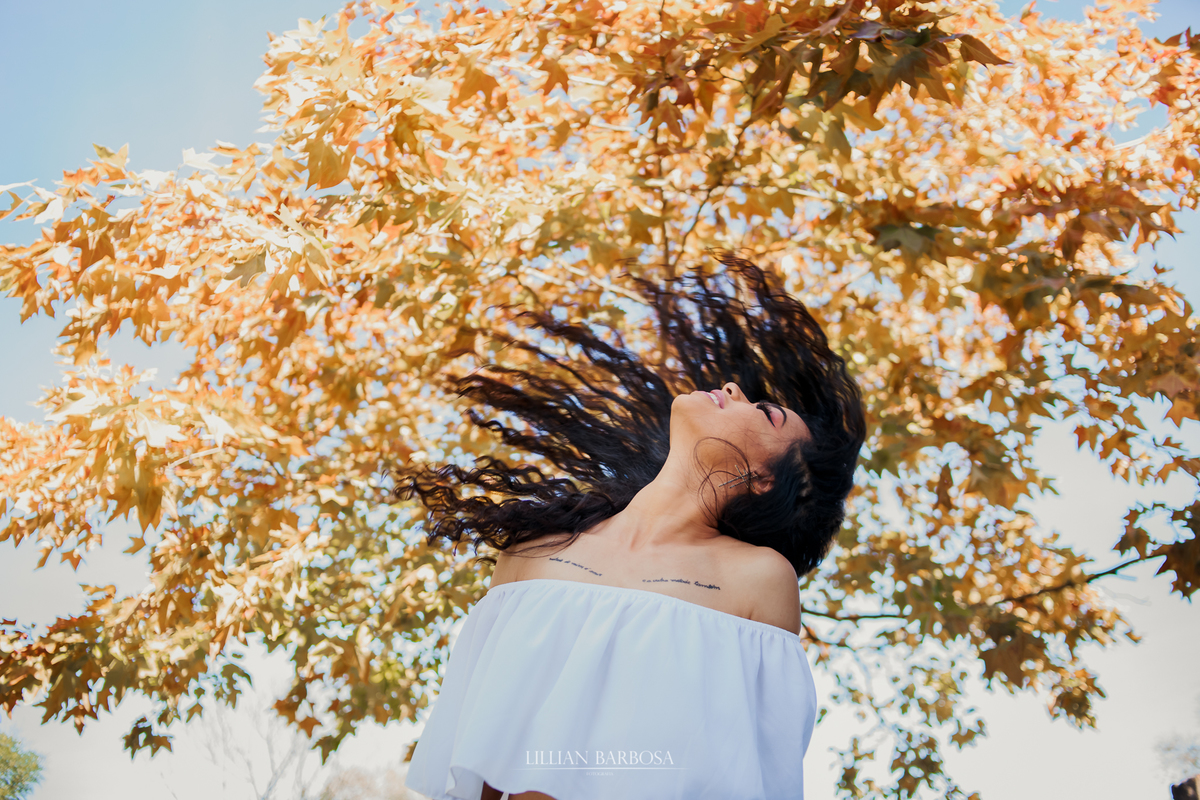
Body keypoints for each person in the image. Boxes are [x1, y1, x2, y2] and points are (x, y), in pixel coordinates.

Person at [395, 253, 868, 800]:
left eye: (765, 413)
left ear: (765, 480)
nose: (735, 389)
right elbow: (480, 764)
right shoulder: (534, 552)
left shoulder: (758, 580)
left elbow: (749, 776)